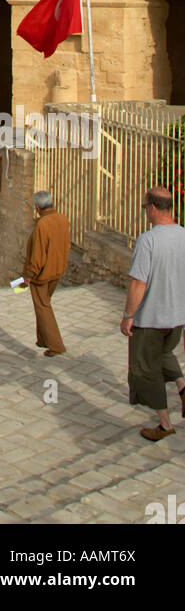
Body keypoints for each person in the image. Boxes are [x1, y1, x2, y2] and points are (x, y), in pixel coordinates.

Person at [120, 186, 185, 442]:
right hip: (177, 317)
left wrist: (128, 315)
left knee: (146, 369)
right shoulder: (183, 235)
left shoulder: (149, 240)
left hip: (151, 319)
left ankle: (165, 424)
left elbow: (138, 283)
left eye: (145, 207)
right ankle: (182, 388)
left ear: (154, 208)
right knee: (165, 353)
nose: (145, 212)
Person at [22, 190, 71, 357]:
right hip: (57, 270)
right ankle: (43, 339)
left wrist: (29, 275)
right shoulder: (63, 219)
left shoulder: (43, 224)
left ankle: (56, 346)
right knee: (44, 304)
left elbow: (38, 254)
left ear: (37, 207)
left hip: (41, 275)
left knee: (43, 307)